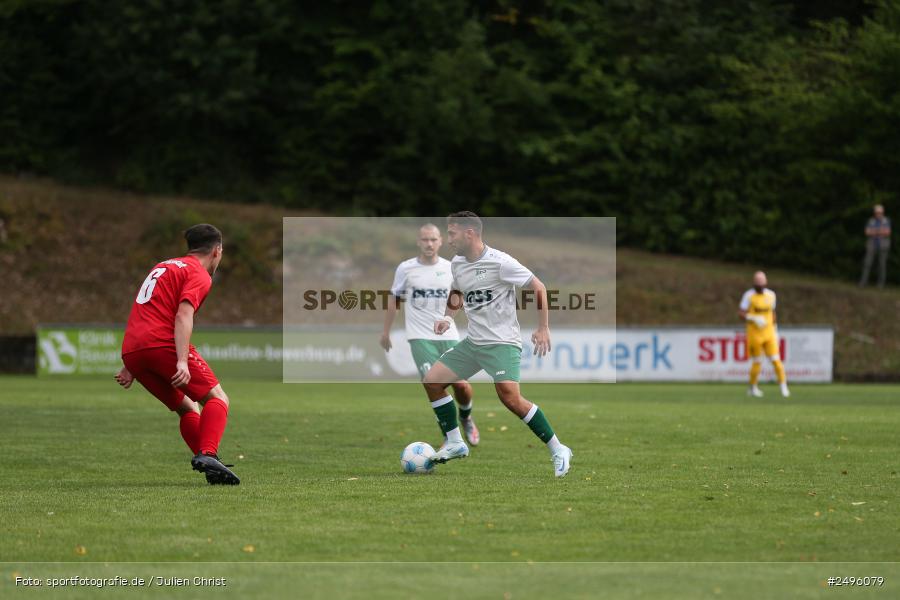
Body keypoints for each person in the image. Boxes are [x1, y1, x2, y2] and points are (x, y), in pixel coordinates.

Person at [422, 211, 573, 477]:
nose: (449, 239)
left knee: (510, 397)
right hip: (474, 343)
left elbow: (539, 287)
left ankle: (559, 448)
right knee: (432, 381)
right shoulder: (457, 263)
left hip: (502, 342)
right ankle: (456, 442)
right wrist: (447, 316)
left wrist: (543, 327)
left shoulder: (501, 262)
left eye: (452, 233)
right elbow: (457, 291)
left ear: (470, 234)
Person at [114, 224, 239, 485]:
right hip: (162, 344)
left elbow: (147, 307)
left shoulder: (164, 266)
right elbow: (183, 314)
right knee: (218, 398)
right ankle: (208, 454)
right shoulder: (199, 273)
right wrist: (182, 360)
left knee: (187, 407)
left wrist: (132, 363)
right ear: (216, 251)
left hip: (134, 350)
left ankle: (211, 466)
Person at [380, 224, 479, 446]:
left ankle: (466, 417)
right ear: (418, 241)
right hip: (420, 337)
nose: (429, 244)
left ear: (440, 242)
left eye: (433, 240)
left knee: (461, 385)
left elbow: (459, 296)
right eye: (425, 240)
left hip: (448, 335)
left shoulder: (451, 267)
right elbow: (394, 299)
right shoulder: (406, 269)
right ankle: (449, 437)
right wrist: (386, 331)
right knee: (435, 385)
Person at [739, 271, 789, 398]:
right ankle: (752, 387)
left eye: (761, 282)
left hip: (769, 333)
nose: (759, 284)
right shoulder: (748, 296)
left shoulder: (771, 295)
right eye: (757, 282)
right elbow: (741, 313)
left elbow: (772, 313)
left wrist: (775, 328)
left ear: (765, 282)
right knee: (757, 361)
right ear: (754, 282)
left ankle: (783, 386)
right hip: (755, 334)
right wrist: (752, 318)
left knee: (776, 360)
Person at [859, 204, 891, 288]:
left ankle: (880, 285)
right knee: (867, 263)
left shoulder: (886, 220)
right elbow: (867, 232)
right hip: (871, 245)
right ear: (874, 213)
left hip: (883, 246)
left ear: (882, 213)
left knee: (882, 265)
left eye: (880, 213)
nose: (878, 214)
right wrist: (880, 231)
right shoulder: (871, 221)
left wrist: (874, 231)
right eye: (877, 213)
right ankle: (863, 283)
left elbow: (887, 232)